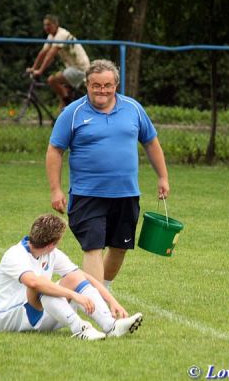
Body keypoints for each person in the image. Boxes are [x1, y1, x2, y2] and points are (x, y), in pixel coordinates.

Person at [46, 59, 170, 287]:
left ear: (116, 85)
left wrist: (162, 177)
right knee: (93, 246)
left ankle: (101, 291)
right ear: (87, 84)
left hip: (126, 194)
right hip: (87, 194)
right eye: (96, 85)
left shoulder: (133, 109)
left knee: (120, 247)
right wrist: (56, 190)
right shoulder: (72, 113)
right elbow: (55, 150)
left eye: (107, 85)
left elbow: (151, 142)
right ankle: (98, 305)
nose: (102, 90)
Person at [0, 213, 143, 340]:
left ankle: (111, 326)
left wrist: (112, 301)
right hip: (8, 319)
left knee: (74, 277)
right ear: (51, 244)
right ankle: (80, 329)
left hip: (38, 315)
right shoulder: (15, 254)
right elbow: (34, 283)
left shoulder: (52, 253)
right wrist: (74, 295)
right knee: (43, 285)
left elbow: (83, 276)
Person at [26, 14, 90, 108]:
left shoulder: (61, 34)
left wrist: (40, 71)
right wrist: (33, 68)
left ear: (56, 24)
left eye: (49, 25)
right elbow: (43, 53)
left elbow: (50, 54)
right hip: (72, 68)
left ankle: (69, 104)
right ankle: (61, 119)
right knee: (62, 94)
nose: (46, 27)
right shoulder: (51, 36)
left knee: (52, 80)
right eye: (44, 25)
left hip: (80, 68)